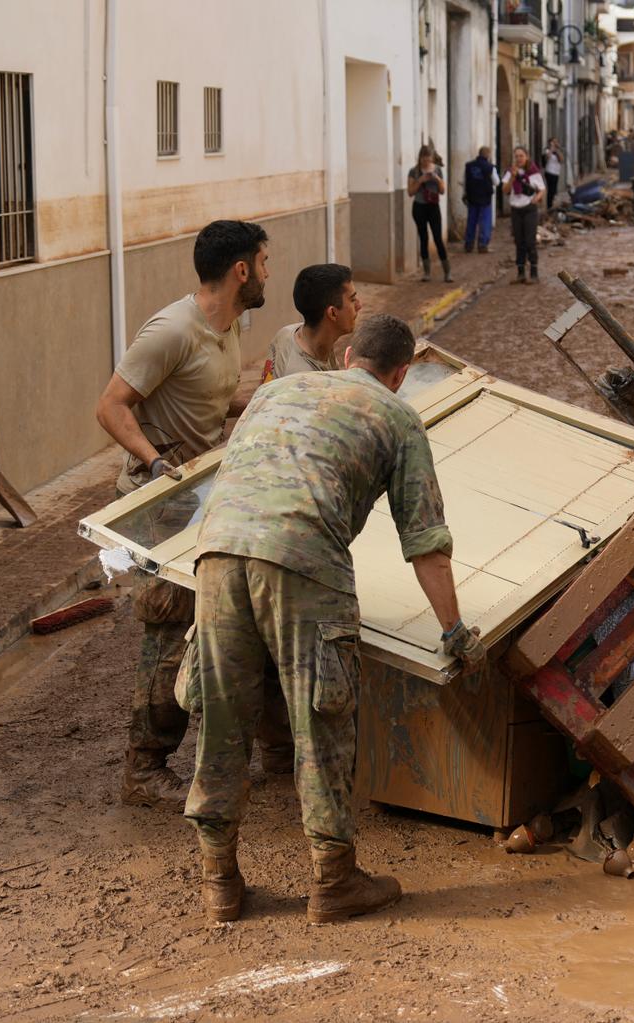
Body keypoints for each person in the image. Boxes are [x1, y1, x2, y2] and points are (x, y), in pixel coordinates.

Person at [183, 313, 487, 923]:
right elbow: (425, 540)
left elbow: (231, 479)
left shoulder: (273, 391)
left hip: (217, 555)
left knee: (221, 717)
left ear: (348, 357)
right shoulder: (398, 416)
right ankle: (334, 881)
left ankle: (218, 881)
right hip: (302, 562)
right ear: (400, 374)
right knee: (320, 720)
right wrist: (455, 632)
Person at [93, 219, 270, 809]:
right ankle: (142, 770)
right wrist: (153, 462)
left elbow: (212, 402)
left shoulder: (230, 326)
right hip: (160, 508)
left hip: (202, 500)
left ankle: (205, 755)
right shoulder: (172, 330)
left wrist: (271, 402)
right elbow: (111, 406)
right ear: (241, 270)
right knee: (168, 633)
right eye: (264, 262)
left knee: (215, 628)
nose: (269, 272)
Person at [264, 264, 361, 382]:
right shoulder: (306, 380)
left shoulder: (288, 332)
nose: (359, 306)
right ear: (333, 313)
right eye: (352, 300)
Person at [503, 146, 545, 285]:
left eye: (521, 156)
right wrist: (512, 178)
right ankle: (520, 273)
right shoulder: (510, 172)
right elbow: (505, 190)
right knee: (519, 241)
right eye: (517, 156)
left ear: (526, 157)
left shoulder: (533, 172)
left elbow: (542, 189)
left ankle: (534, 273)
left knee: (530, 241)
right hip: (516, 210)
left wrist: (537, 198)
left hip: (529, 210)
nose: (519, 158)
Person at [408, 145, 450, 283]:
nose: (426, 162)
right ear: (420, 158)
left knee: (438, 238)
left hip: (433, 207)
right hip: (419, 207)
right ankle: (427, 273)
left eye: (428, 159)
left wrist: (436, 179)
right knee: (424, 238)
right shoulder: (414, 171)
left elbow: (443, 190)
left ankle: (447, 273)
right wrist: (420, 180)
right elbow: (410, 192)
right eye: (423, 159)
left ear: (432, 158)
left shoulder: (438, 170)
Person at [461, 147, 499, 254]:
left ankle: (469, 244)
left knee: (471, 220)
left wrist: (465, 194)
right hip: (485, 198)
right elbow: (496, 182)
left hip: (472, 197)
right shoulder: (490, 167)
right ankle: (482, 245)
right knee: (485, 221)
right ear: (488, 155)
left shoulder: (468, 166)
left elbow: (464, 181)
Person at [542, 138, 563, 210]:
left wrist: (557, 150)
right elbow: (547, 157)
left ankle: (551, 205)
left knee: (554, 190)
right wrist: (551, 149)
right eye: (554, 142)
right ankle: (549, 206)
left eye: (556, 141)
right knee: (550, 190)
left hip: (556, 173)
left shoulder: (558, 151)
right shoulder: (547, 150)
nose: (555, 143)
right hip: (549, 172)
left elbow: (561, 160)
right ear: (550, 143)